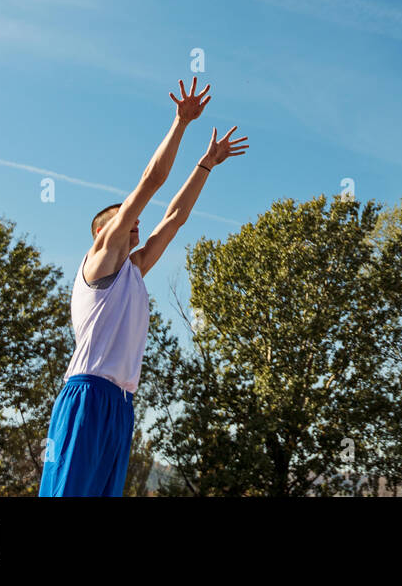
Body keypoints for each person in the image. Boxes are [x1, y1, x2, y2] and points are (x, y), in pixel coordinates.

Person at [39, 78, 248, 496]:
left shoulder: (133, 269)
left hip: (120, 404)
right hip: (88, 393)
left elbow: (174, 218)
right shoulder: (100, 261)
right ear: (102, 232)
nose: (134, 223)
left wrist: (205, 165)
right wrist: (180, 124)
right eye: (123, 218)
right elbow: (151, 182)